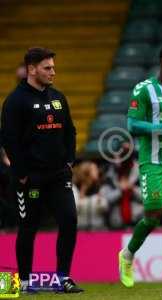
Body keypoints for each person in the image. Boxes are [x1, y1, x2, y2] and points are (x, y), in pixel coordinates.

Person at [1, 47, 83, 293]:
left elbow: (70, 131)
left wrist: (69, 160)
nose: (53, 72)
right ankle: (24, 282)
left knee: (69, 220)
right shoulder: (15, 101)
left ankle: (63, 278)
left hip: (59, 175)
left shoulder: (58, 97)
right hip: (30, 179)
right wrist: (23, 173)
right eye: (47, 68)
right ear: (32, 69)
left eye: (53, 67)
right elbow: (9, 140)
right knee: (28, 227)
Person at [118, 44, 162, 291]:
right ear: (161, 62)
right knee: (153, 214)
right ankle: (127, 254)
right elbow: (132, 125)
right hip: (153, 162)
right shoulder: (145, 89)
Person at [73, 161, 108, 230]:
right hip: (80, 230)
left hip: (99, 229)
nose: (98, 171)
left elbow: (105, 207)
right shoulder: (75, 187)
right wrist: (82, 193)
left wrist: (100, 200)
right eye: (95, 169)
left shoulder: (100, 187)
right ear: (87, 172)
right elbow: (75, 209)